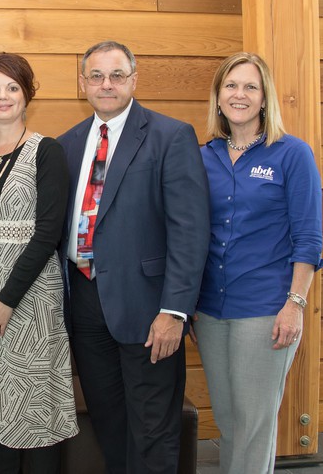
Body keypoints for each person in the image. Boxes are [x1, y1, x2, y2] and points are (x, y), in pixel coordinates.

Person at [57, 41, 210, 474]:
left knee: (154, 429)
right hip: (85, 304)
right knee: (109, 423)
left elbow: (190, 231)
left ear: (134, 80)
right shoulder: (67, 144)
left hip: (148, 308)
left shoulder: (170, 136)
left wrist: (174, 311)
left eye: (117, 75)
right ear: (82, 83)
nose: (107, 84)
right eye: (97, 76)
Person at [194, 52, 323, 474]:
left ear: (265, 98)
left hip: (266, 308)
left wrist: (295, 304)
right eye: (231, 86)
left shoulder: (292, 154)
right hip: (210, 311)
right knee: (231, 422)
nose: (240, 94)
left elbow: (308, 237)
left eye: (250, 87)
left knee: (254, 426)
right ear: (218, 97)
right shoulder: (202, 156)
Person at [0, 53, 79, 473]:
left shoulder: (47, 151)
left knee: (35, 416)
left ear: (27, 94)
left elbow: (48, 234)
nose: (2, 96)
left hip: (31, 305)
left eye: (12, 87)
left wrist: (6, 301)